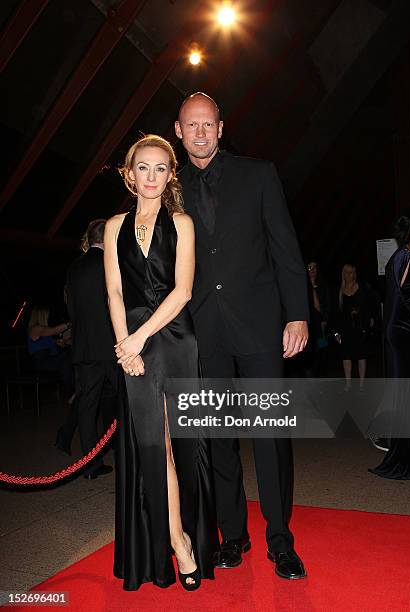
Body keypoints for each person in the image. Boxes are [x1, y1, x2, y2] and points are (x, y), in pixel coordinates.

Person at [175, 92, 309, 580]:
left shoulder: (259, 175)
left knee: (271, 436)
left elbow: (285, 248)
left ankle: (281, 540)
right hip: (202, 332)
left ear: (221, 128)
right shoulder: (169, 188)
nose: (201, 132)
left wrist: (297, 314)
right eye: (193, 125)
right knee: (218, 438)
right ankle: (234, 535)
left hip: (258, 327)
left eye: (208, 123)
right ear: (178, 130)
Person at [104, 134, 218, 591]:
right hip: (131, 340)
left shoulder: (183, 222)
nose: (151, 177)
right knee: (153, 445)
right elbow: (113, 290)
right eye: (142, 168)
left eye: (160, 168)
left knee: (176, 444)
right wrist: (123, 346)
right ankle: (175, 539)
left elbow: (183, 291)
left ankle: (181, 539)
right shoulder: (113, 226)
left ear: (171, 175)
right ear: (129, 175)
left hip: (172, 336)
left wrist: (138, 339)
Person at [59, 219, 119, 478]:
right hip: (110, 346)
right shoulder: (109, 263)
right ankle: (132, 456)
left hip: (83, 348)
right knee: (128, 402)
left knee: (86, 408)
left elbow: (70, 307)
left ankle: (90, 466)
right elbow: (114, 302)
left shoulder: (74, 267)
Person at [370, 208, 410, 479]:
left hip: (406, 332)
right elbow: (401, 299)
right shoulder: (404, 257)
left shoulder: (407, 257)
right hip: (403, 334)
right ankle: (402, 455)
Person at [333, 264, 376, 391]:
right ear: (343, 273)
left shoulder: (361, 287)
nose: (349, 275)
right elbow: (336, 313)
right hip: (345, 328)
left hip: (359, 327)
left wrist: (370, 318)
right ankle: (348, 383)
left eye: (351, 272)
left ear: (354, 273)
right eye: (346, 272)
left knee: (361, 355)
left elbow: (369, 305)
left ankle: (362, 384)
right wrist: (336, 332)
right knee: (346, 356)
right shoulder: (339, 290)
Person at [27, 305, 73, 395]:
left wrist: (66, 342)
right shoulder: (35, 329)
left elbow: (61, 342)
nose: (48, 317)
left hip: (51, 360)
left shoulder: (45, 332)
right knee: (66, 359)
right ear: (41, 316)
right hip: (42, 362)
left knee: (69, 357)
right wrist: (71, 323)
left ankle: (75, 391)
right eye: (47, 315)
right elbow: (55, 330)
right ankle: (73, 392)